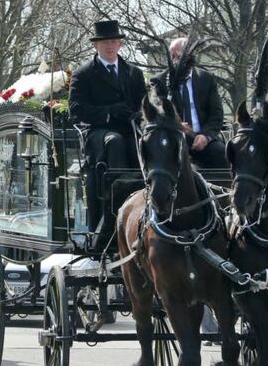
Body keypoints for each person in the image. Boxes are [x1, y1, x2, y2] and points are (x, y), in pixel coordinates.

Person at [69, 20, 147, 250]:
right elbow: (76, 109)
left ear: (120, 44)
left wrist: (137, 115)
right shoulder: (84, 74)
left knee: (142, 143)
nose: (109, 46)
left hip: (128, 128)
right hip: (98, 132)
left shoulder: (133, 73)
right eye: (104, 42)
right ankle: (114, 206)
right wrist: (108, 112)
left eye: (113, 41)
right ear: (96, 46)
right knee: (115, 142)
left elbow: (144, 105)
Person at [150, 37, 229, 169]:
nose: (174, 61)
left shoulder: (206, 79)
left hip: (203, 138)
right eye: (171, 56)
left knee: (221, 152)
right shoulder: (160, 81)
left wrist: (206, 136)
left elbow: (217, 115)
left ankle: (223, 189)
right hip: (174, 139)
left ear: (189, 57)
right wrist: (176, 124)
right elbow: (155, 115)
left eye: (178, 57)